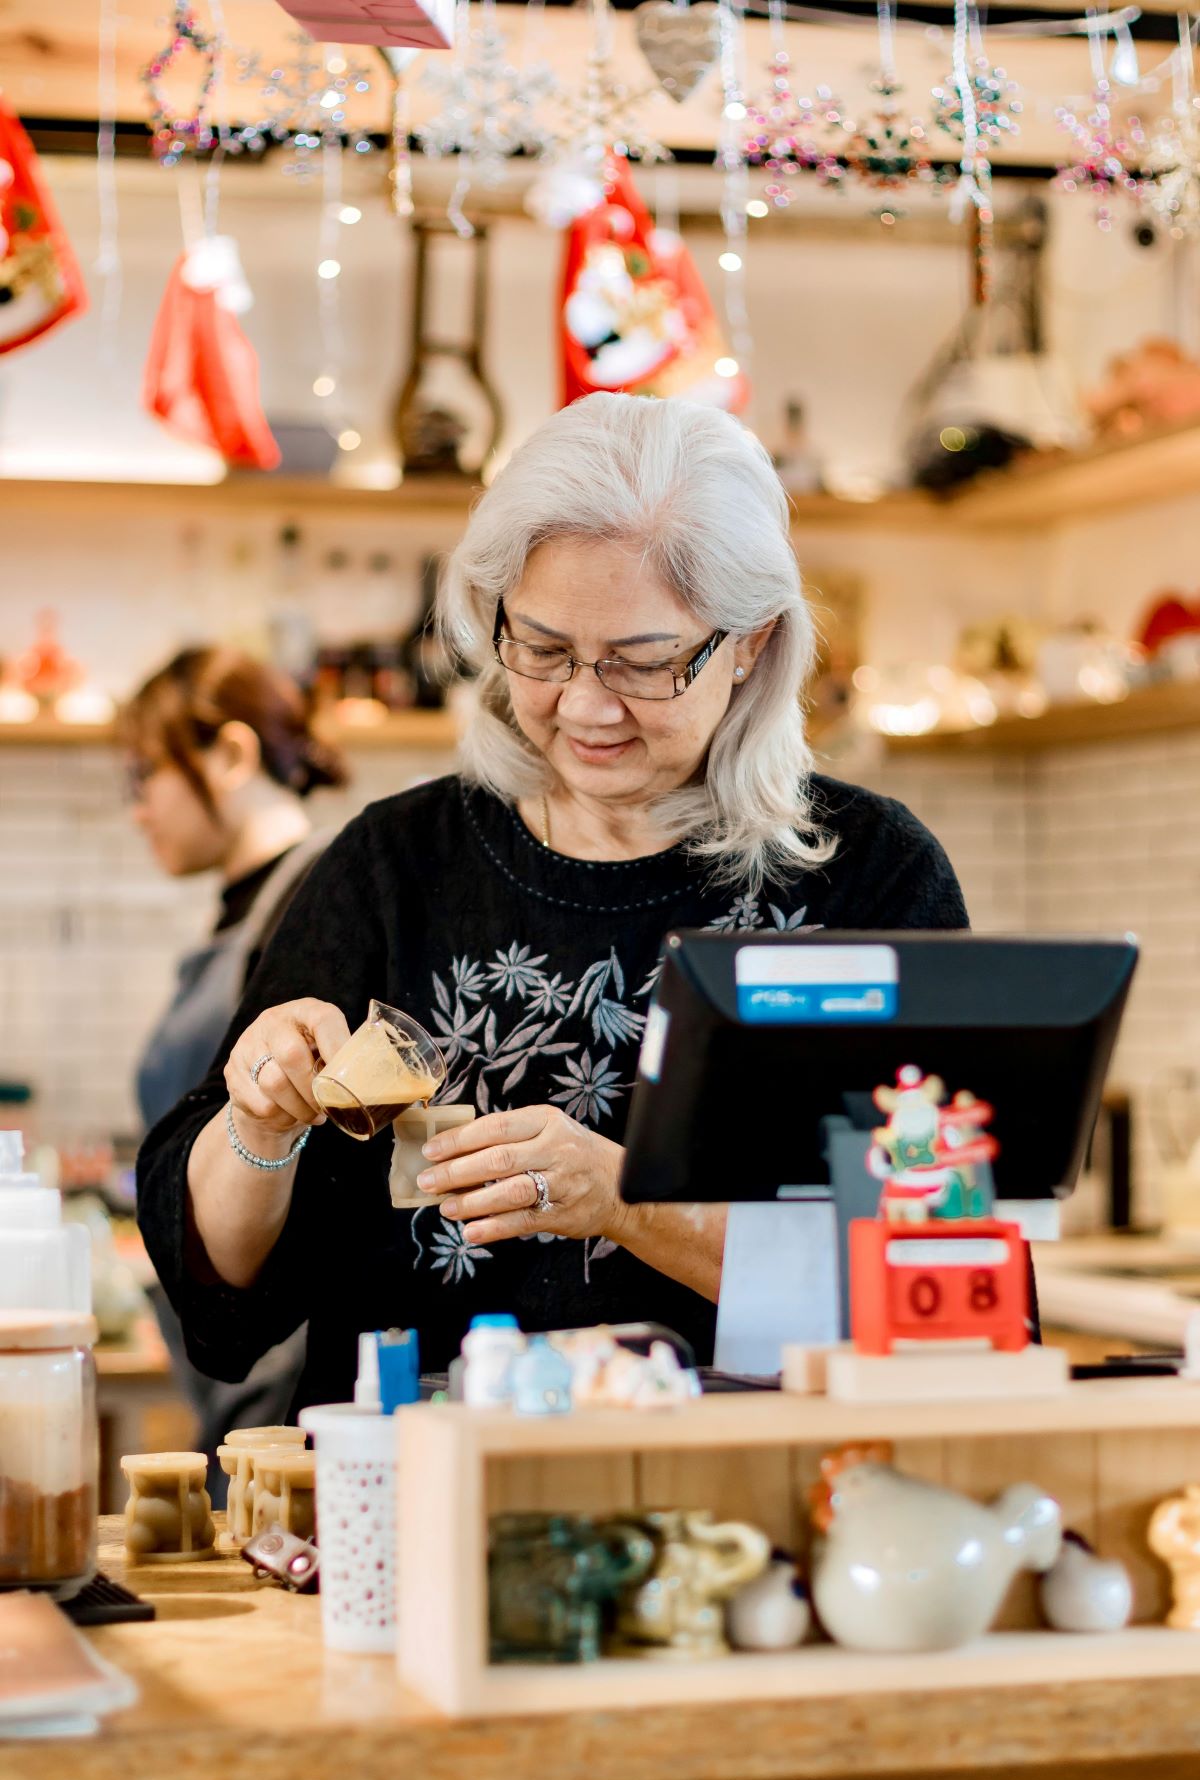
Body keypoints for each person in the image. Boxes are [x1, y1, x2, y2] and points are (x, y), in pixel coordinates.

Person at [137, 393, 968, 1416]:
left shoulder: (868, 878)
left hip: (751, 1509)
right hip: (420, 1502)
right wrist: (260, 1117)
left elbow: (935, 1288)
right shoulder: (391, 869)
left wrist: (622, 1200)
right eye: (541, 648)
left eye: (644, 661)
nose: (584, 704)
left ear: (750, 643)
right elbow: (227, 1300)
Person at [125, 646, 348, 1455]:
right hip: (217, 1331)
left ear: (229, 755)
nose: (137, 808)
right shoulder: (239, 911)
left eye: (141, 776)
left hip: (279, 1356)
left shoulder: (318, 907)